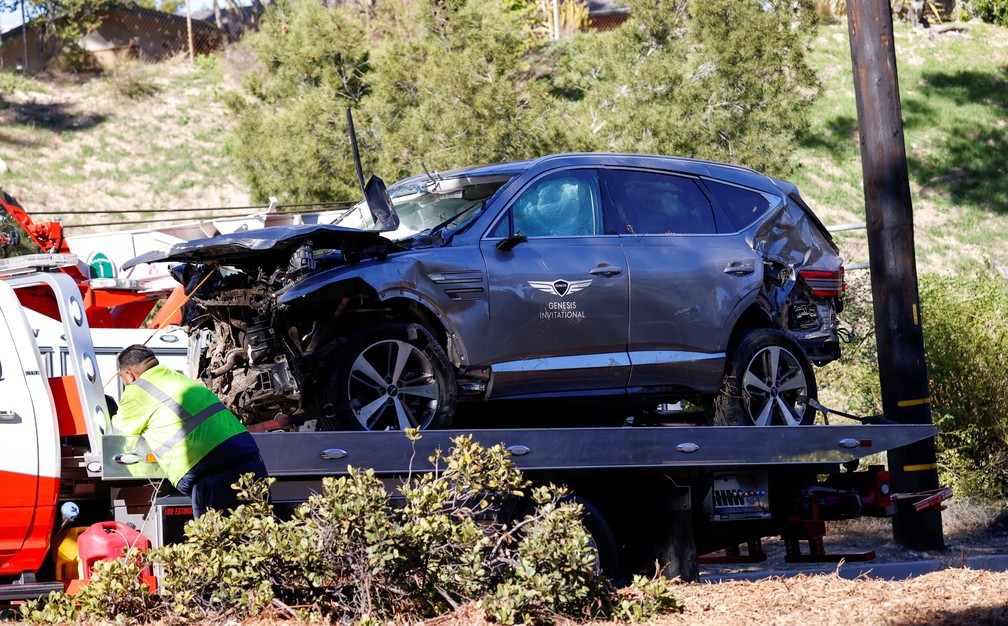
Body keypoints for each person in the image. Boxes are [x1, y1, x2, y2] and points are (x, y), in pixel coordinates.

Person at [111, 344, 268, 518]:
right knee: (258, 534)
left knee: (221, 540)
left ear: (129, 374)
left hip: (213, 473)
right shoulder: (178, 377)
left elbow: (118, 436)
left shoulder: (137, 390)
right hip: (250, 460)